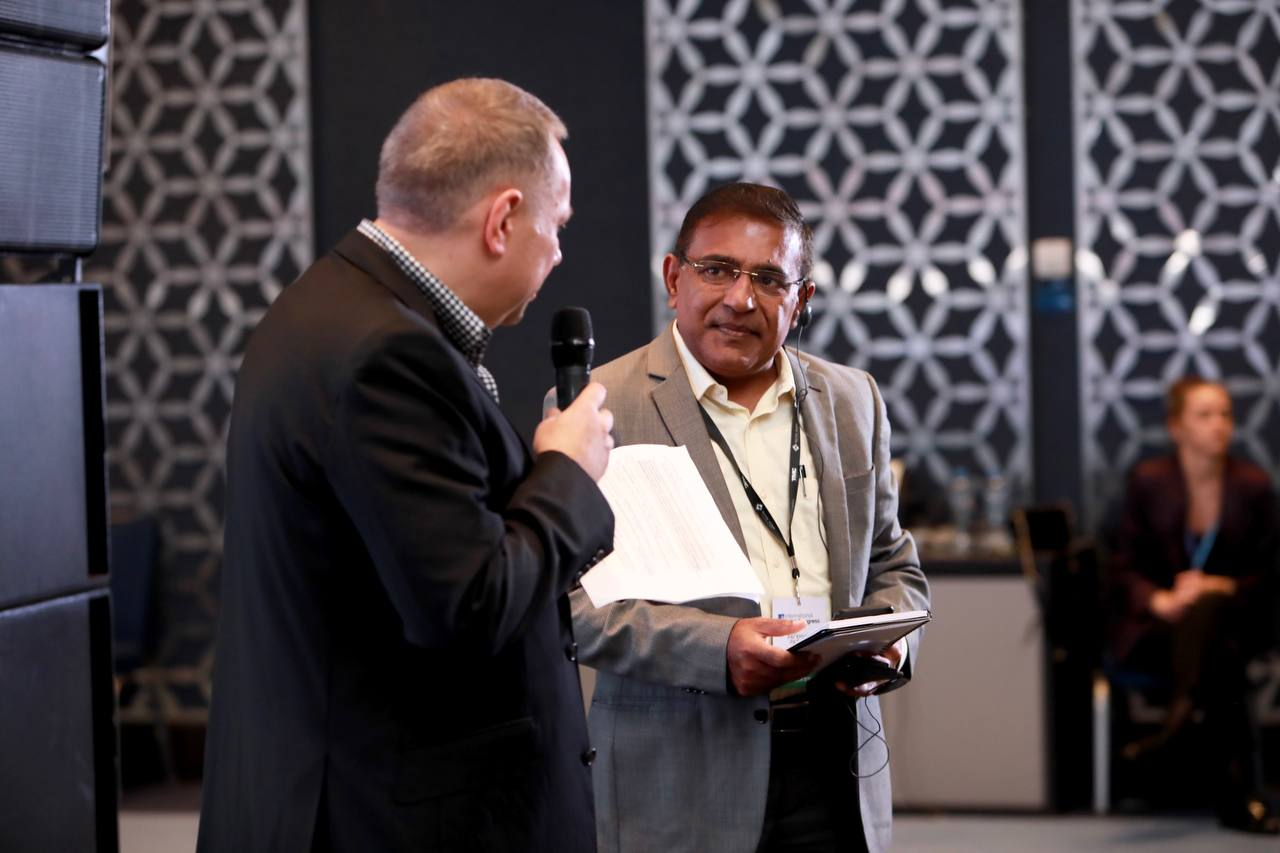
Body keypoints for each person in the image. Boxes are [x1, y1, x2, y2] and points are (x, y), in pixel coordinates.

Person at [197, 78, 617, 852]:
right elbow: (468, 607)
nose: (559, 252)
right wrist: (567, 471)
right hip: (394, 818)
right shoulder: (389, 356)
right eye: (555, 225)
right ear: (502, 220)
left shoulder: (326, 303)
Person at [572, 183, 930, 852]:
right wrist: (718, 649)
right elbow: (576, 606)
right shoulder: (599, 407)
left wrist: (891, 642)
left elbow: (893, 562)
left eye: (769, 279)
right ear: (674, 277)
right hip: (679, 779)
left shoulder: (853, 400)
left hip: (836, 763)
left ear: (802, 299)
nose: (740, 298)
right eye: (717, 269)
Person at [1109, 376, 1279, 834]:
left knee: (1214, 623)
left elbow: (1270, 571)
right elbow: (1121, 566)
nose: (1219, 425)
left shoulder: (1253, 486)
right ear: (1176, 427)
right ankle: (1240, 794)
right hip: (1160, 629)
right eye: (1205, 415)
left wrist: (1223, 587)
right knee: (1222, 661)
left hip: (1234, 622)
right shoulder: (1149, 482)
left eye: (1225, 414)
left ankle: (1176, 725)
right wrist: (1160, 598)